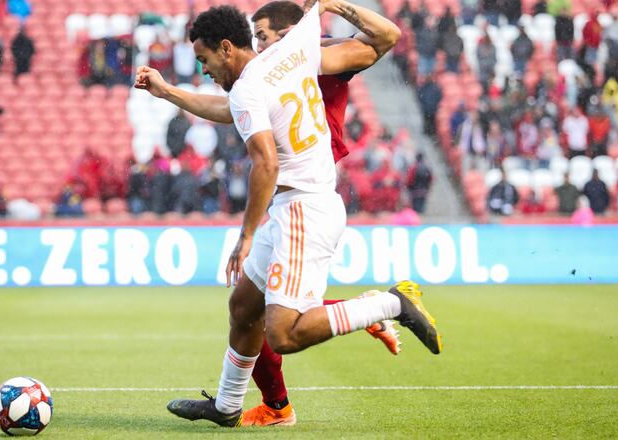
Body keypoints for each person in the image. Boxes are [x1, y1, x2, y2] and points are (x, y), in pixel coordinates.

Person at [139, 1, 440, 429]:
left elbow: (266, 164)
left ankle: (390, 303)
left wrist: (244, 238)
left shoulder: (251, 83)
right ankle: (227, 405)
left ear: (227, 48)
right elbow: (232, 110)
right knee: (244, 306)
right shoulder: (291, 49)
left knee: (284, 334)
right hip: (295, 206)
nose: (204, 70)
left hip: (304, 208)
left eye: (205, 60)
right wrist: (168, 92)